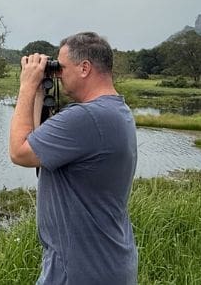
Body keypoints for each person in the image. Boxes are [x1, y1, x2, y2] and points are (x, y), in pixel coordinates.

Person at [9, 32, 138, 284]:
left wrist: (25, 87)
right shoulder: (114, 111)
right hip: (104, 261)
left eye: (62, 67)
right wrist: (38, 92)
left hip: (81, 269)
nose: (60, 74)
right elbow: (37, 145)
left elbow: (20, 152)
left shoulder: (87, 118)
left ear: (84, 68)